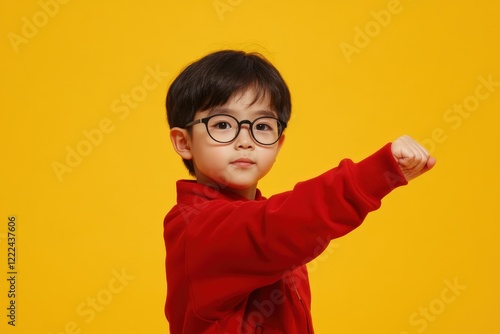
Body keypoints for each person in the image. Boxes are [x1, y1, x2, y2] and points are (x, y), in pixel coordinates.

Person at [163, 50, 435, 334]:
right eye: (222, 124)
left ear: (278, 144)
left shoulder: (266, 225)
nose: (245, 140)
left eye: (262, 126)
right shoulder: (196, 227)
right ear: (184, 142)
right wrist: (377, 174)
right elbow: (282, 224)